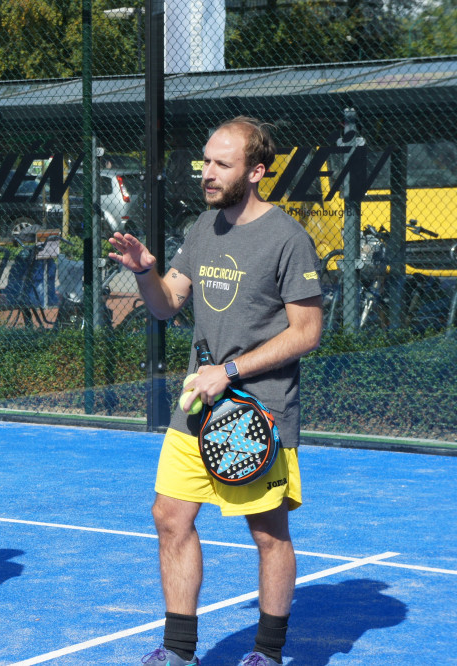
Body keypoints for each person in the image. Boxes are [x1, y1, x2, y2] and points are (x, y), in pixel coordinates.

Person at [108, 117, 323, 666]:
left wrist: (228, 373)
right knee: (169, 517)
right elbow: (165, 305)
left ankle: (267, 654)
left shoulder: (287, 238)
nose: (207, 173)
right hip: (198, 408)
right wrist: (143, 273)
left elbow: (307, 332)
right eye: (205, 161)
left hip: (260, 413)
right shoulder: (202, 230)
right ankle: (179, 651)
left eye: (221, 164)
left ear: (256, 171)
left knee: (268, 534)